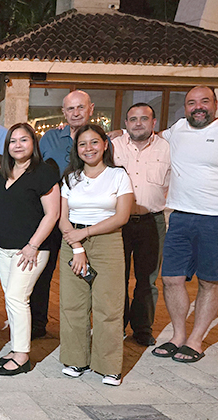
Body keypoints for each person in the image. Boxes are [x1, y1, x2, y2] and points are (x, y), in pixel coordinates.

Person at [153, 86, 218, 363]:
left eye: (204, 101)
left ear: (215, 104)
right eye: (191, 102)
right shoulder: (178, 129)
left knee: (209, 280)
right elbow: (148, 137)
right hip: (180, 216)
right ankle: (178, 336)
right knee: (171, 279)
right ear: (185, 107)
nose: (198, 107)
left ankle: (196, 340)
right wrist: (117, 133)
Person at [59, 124, 132, 386]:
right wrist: (77, 246)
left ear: (104, 145)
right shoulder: (70, 178)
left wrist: (86, 232)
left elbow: (121, 217)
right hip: (72, 242)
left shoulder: (118, 176)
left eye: (93, 142)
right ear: (76, 149)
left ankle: (108, 366)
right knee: (73, 305)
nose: (88, 148)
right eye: (82, 144)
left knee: (108, 306)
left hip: (107, 242)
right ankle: (75, 359)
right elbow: (62, 218)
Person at [0, 123, 60, 375]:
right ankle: (16, 347)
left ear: (33, 143)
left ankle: (22, 356)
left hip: (30, 250)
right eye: (13, 141)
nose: (17, 145)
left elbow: (52, 214)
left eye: (23, 140)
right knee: (11, 298)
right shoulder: (3, 172)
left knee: (18, 298)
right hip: (3, 247)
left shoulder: (44, 172)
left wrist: (32, 245)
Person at [32, 90, 95, 340]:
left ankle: (79, 327)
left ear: (91, 109)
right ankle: (37, 324)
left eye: (81, 107)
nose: (76, 113)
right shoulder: (49, 138)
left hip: (83, 219)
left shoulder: (100, 140)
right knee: (42, 272)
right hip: (50, 216)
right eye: (71, 108)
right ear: (63, 112)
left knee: (80, 273)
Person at [111, 103, 170, 347]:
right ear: (125, 123)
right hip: (119, 223)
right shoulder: (113, 145)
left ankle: (143, 328)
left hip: (152, 221)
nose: (138, 123)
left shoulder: (167, 147)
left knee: (147, 279)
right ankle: (116, 325)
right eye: (133, 119)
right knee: (117, 277)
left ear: (153, 122)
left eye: (144, 118)